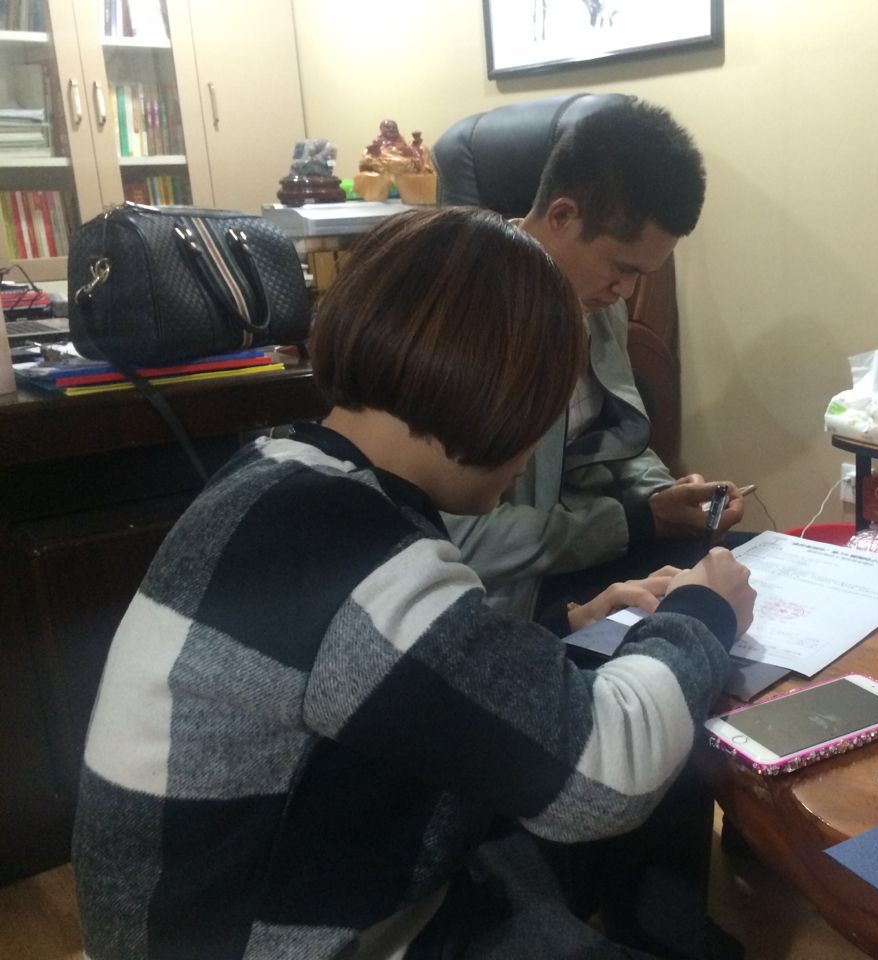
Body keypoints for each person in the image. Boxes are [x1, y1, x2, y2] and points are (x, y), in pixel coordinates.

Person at [72, 207, 755, 959]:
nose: (538, 443)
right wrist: (703, 612)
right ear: (501, 394)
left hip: (272, 884)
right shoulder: (361, 556)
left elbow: (380, 678)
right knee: (648, 760)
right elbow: (607, 779)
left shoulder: (284, 474)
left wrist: (568, 624)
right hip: (285, 939)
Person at [443, 98, 749, 627]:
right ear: (563, 216)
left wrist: (663, 495)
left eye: (641, 276)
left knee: (743, 571)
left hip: (587, 547)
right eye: (621, 268)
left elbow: (609, 440)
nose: (625, 291)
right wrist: (634, 522)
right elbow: (464, 540)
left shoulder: (595, 302)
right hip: (506, 595)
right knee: (702, 624)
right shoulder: (469, 321)